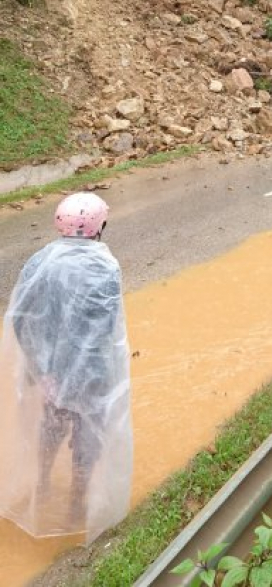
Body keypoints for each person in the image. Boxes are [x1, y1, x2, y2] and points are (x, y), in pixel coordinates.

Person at [0, 193, 132, 543]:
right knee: (87, 438)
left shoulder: (39, 262)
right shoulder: (105, 267)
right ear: (99, 227)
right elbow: (104, 329)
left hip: (50, 376)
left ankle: (41, 486)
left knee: (51, 429)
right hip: (90, 376)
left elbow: (22, 319)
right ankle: (76, 504)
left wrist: (43, 369)